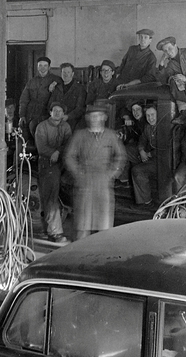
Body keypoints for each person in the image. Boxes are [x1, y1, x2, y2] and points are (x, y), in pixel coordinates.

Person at [63, 102, 126, 240]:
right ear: (87, 118)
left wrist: (111, 174)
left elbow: (120, 156)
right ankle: (81, 250)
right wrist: (78, 173)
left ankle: (101, 250)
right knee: (83, 223)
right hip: (84, 182)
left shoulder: (111, 135)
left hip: (103, 183)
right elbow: (69, 156)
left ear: (104, 117)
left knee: (104, 224)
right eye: (92, 116)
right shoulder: (79, 135)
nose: (95, 119)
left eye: (98, 116)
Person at [34, 101, 72, 243]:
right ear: (50, 112)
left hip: (63, 162)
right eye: (54, 110)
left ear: (63, 114)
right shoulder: (42, 127)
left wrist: (58, 152)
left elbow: (69, 143)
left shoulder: (66, 126)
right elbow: (41, 148)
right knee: (51, 196)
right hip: (47, 164)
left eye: (60, 111)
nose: (57, 113)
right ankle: (54, 232)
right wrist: (53, 153)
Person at [17, 56, 60, 136]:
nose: (42, 68)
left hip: (46, 116)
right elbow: (24, 100)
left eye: (45, 65)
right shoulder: (31, 82)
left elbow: (58, 99)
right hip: (30, 115)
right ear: (37, 67)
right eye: (40, 65)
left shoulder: (56, 80)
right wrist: (22, 115)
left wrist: (53, 90)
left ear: (49, 67)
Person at [129, 106, 162, 206]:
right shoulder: (148, 127)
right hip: (152, 158)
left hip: (161, 161)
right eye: (148, 115)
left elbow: (165, 148)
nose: (150, 118)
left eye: (152, 115)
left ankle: (145, 201)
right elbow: (142, 140)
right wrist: (141, 150)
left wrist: (149, 154)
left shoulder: (163, 127)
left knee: (137, 170)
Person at [48, 62, 86, 126]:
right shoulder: (57, 88)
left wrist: (68, 116)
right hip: (56, 119)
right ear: (61, 74)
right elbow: (50, 104)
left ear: (72, 74)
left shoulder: (80, 89)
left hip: (72, 121)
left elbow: (80, 109)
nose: (66, 74)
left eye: (68, 72)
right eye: (64, 72)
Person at [117, 101, 145, 185]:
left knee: (125, 150)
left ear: (143, 110)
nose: (136, 112)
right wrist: (127, 117)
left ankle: (125, 180)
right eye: (133, 110)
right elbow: (123, 110)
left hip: (145, 150)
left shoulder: (144, 121)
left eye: (138, 109)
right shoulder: (137, 121)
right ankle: (125, 179)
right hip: (140, 147)